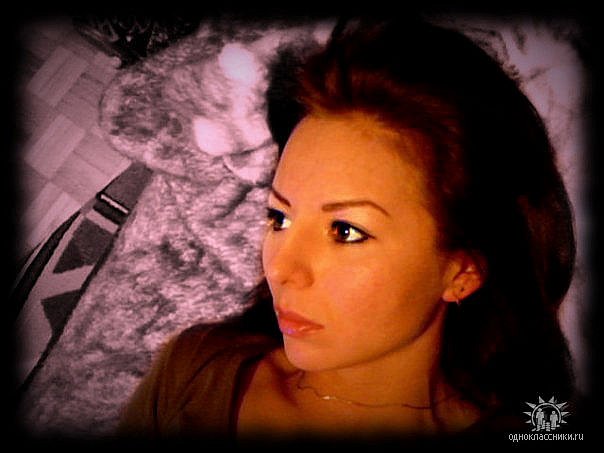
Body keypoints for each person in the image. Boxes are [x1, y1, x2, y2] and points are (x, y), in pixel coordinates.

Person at [117, 15, 577, 441]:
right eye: (279, 218)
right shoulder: (196, 368)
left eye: (345, 231)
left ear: (461, 271)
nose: (282, 270)